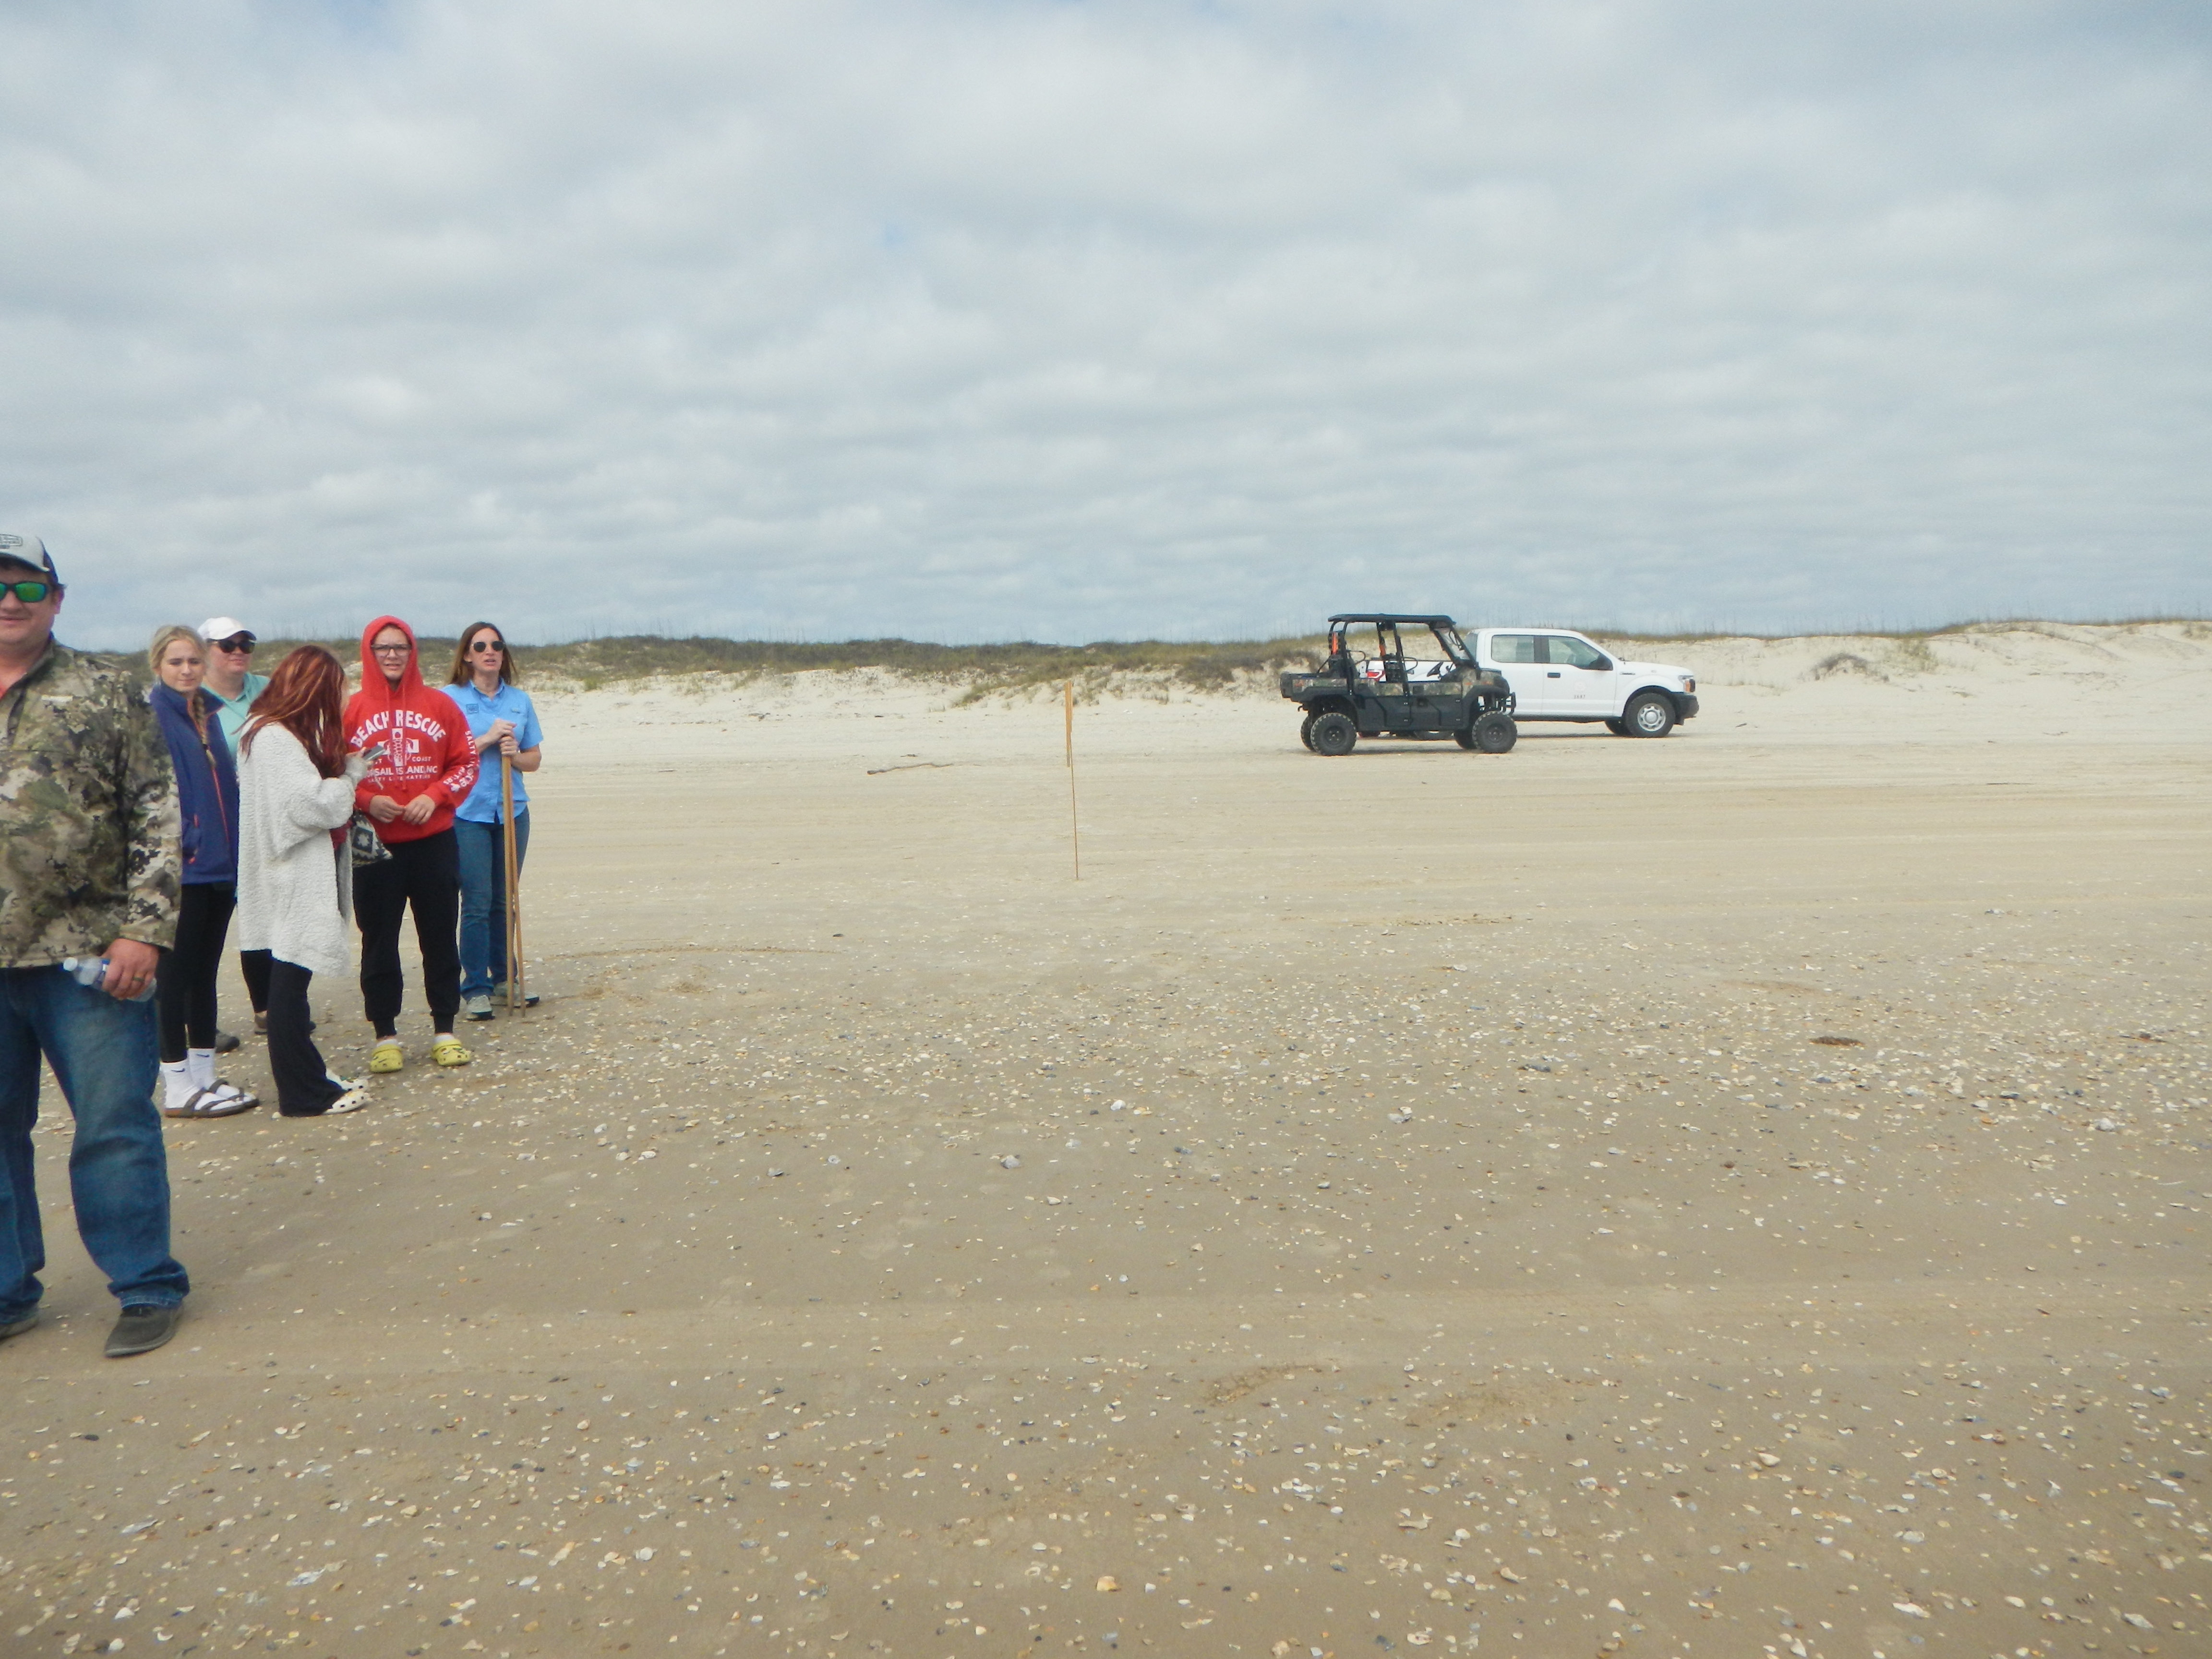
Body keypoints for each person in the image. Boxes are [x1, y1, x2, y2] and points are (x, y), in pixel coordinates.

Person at [0, 532, 192, 1359]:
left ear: (57, 597)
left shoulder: (104, 692)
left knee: (113, 1125)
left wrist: (144, 930)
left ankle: (145, 1283)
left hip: (89, 956)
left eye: (28, 586)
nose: (10, 601)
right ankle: (8, 1290)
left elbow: (157, 810)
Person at [234, 647, 373, 1118]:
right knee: (289, 987)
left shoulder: (262, 731)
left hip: (276, 873)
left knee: (288, 985)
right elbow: (309, 808)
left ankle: (309, 1077)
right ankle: (303, 1094)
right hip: (290, 876)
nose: (338, 700)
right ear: (313, 690)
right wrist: (350, 777)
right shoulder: (275, 738)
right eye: (333, 691)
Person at [344, 616, 479, 1072]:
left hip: (434, 841)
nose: (393, 655)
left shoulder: (441, 705)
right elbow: (331, 774)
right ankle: (385, 1033)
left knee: (439, 935)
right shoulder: (352, 710)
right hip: (375, 848)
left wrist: (434, 796)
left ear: (413, 651)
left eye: (401, 647)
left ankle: (445, 1028)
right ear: (370, 652)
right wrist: (366, 798)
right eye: (383, 648)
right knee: (378, 939)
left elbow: (465, 764)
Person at [145, 625, 256, 1118]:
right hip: (183, 869)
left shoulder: (208, 716)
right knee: (175, 976)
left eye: (192, 662)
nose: (187, 670)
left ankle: (204, 1074)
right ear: (159, 667)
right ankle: (175, 1083)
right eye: (176, 663)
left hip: (222, 866)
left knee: (206, 974)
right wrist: (185, 841)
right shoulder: (154, 719)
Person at [443, 622, 544, 1021]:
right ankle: (476, 987)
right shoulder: (448, 699)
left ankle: (506, 978)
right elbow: (444, 754)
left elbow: (533, 760)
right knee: (478, 901)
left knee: (507, 898)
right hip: (468, 812)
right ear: (467, 655)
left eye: (496, 645)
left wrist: (513, 752)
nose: (490, 651)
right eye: (480, 645)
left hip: (513, 809)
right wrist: (485, 739)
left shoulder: (519, 701)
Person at [199, 616, 271, 1039]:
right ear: (208, 649)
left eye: (246, 643)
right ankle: (196, 1025)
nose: (239, 651)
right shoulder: (193, 697)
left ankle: (267, 1007)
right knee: (208, 923)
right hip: (218, 821)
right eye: (228, 645)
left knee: (261, 911)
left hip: (263, 818)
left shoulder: (266, 689)